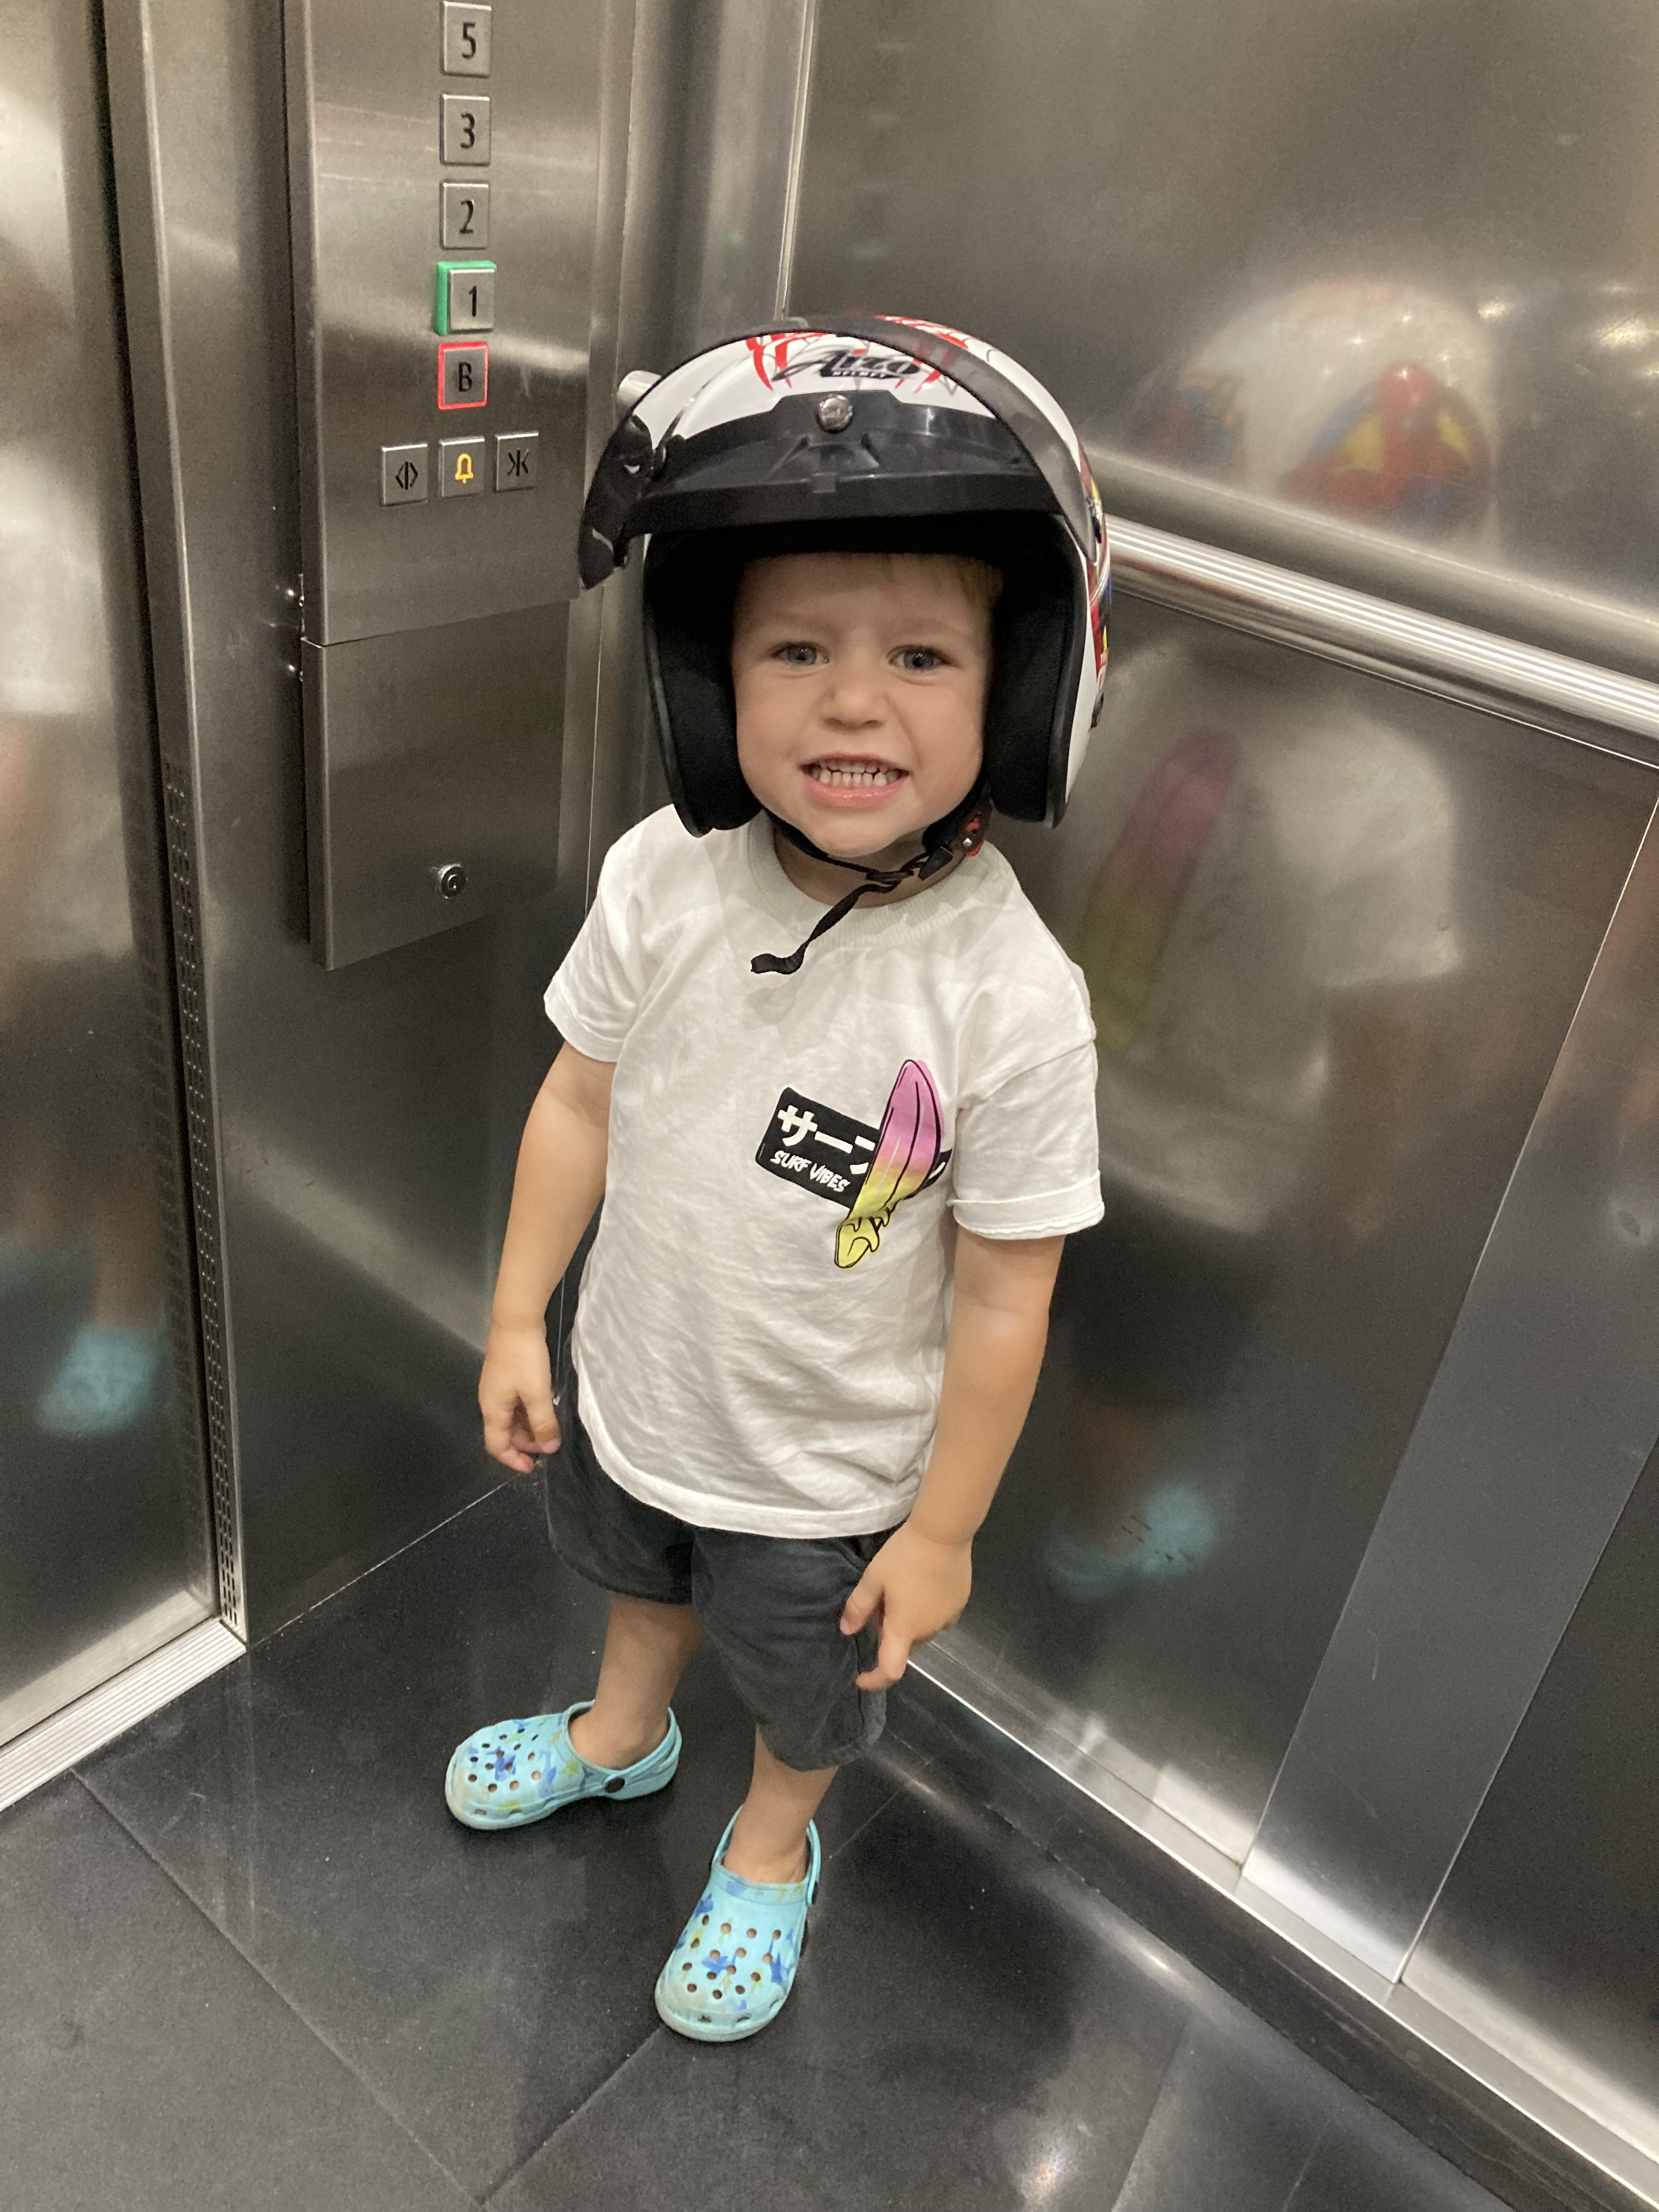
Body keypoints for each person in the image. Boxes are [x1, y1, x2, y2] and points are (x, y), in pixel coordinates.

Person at [444, 319, 1112, 2040]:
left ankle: (766, 1844)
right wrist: (517, 1314)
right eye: (795, 648)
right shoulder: (664, 876)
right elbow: (578, 1101)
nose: (853, 699)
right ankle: (623, 1737)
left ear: (1021, 688)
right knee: (637, 1583)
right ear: (709, 681)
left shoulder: (1012, 1000)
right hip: (637, 1387)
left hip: (825, 1478)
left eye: (920, 657)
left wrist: (944, 1529)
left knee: (806, 1690)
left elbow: (1007, 1292)